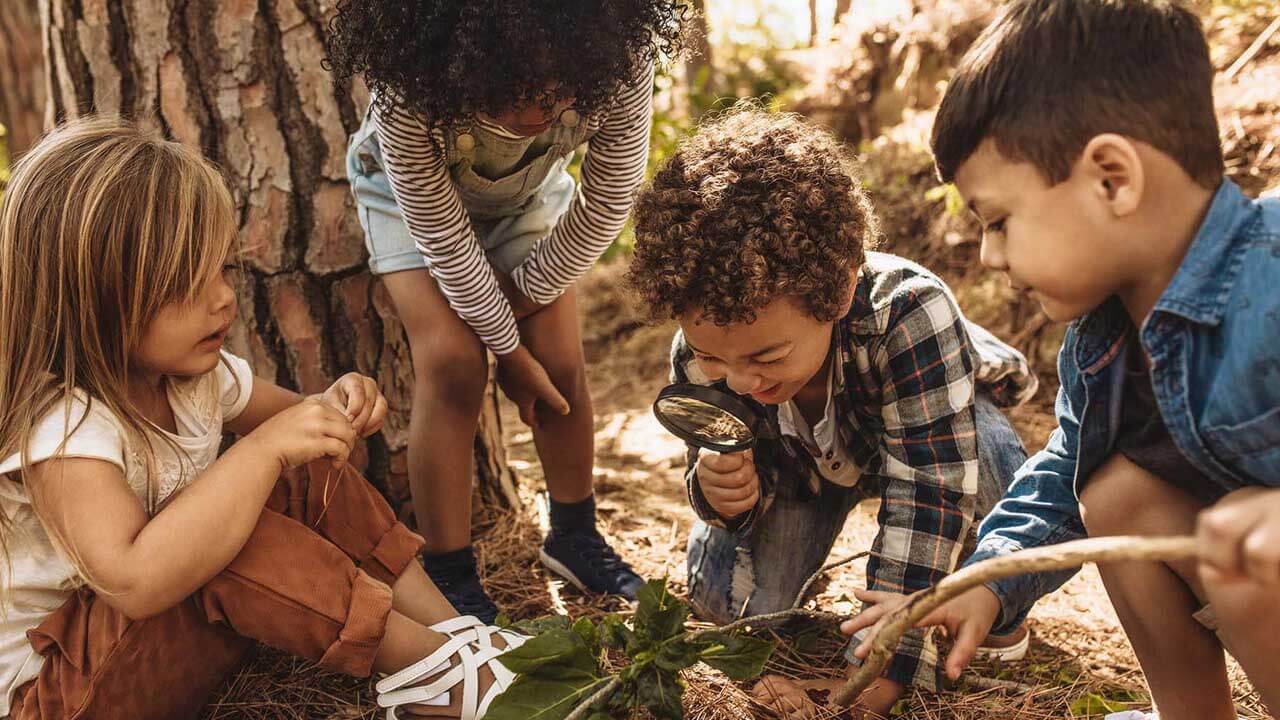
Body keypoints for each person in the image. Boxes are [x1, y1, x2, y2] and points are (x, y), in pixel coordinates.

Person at [0, 117, 525, 720]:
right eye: (184, 284)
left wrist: (338, 407)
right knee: (228, 528)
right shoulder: (65, 430)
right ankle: (433, 673)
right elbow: (134, 582)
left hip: (153, 653)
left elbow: (307, 431)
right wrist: (260, 452)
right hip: (59, 695)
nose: (223, 297)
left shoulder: (196, 378)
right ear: (89, 298)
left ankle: (456, 637)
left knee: (292, 475)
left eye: (223, 269)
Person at [844, 2, 1280, 718]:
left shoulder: (1270, 270)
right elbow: (1059, 481)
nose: (989, 256)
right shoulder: (1101, 342)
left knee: (1244, 542)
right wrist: (983, 581)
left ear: (1112, 178)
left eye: (999, 221)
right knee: (1113, 495)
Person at [625, 106, 1039, 717]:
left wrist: (885, 663)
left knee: (994, 461)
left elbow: (928, 489)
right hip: (799, 475)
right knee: (725, 606)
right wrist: (719, 492)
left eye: (767, 354)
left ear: (840, 291)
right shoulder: (702, 350)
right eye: (716, 357)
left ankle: (996, 604)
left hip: (919, 435)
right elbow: (708, 460)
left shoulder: (910, 312)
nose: (740, 379)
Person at [322, 0, 688, 621]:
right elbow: (443, 238)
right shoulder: (406, 91)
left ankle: (575, 536)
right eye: (506, 96)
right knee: (453, 361)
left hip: (529, 200)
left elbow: (606, 205)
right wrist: (506, 351)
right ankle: (450, 571)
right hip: (407, 204)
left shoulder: (619, 62)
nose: (533, 116)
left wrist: (519, 309)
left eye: (553, 95)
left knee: (561, 360)